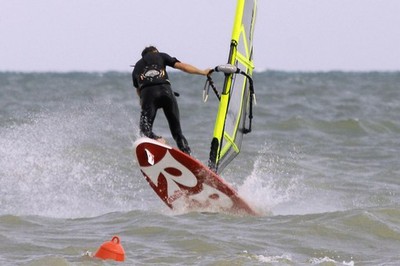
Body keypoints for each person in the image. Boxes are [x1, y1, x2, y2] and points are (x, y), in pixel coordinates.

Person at [132, 46, 210, 155]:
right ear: (155, 51)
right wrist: (203, 72)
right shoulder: (161, 55)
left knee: (145, 131)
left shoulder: (137, 66)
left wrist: (143, 104)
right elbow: (182, 66)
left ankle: (158, 141)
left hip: (148, 96)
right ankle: (187, 155)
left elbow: (139, 90)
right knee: (177, 132)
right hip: (167, 93)